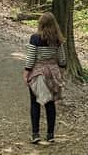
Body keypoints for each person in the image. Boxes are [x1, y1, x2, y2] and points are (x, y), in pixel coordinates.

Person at [23, 12, 67, 144]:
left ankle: (35, 134)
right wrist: (61, 71)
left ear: (41, 24)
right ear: (54, 24)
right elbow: (62, 60)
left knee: (35, 102)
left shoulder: (35, 38)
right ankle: (50, 134)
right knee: (50, 103)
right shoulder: (58, 40)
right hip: (53, 74)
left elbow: (31, 58)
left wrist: (26, 73)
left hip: (37, 73)